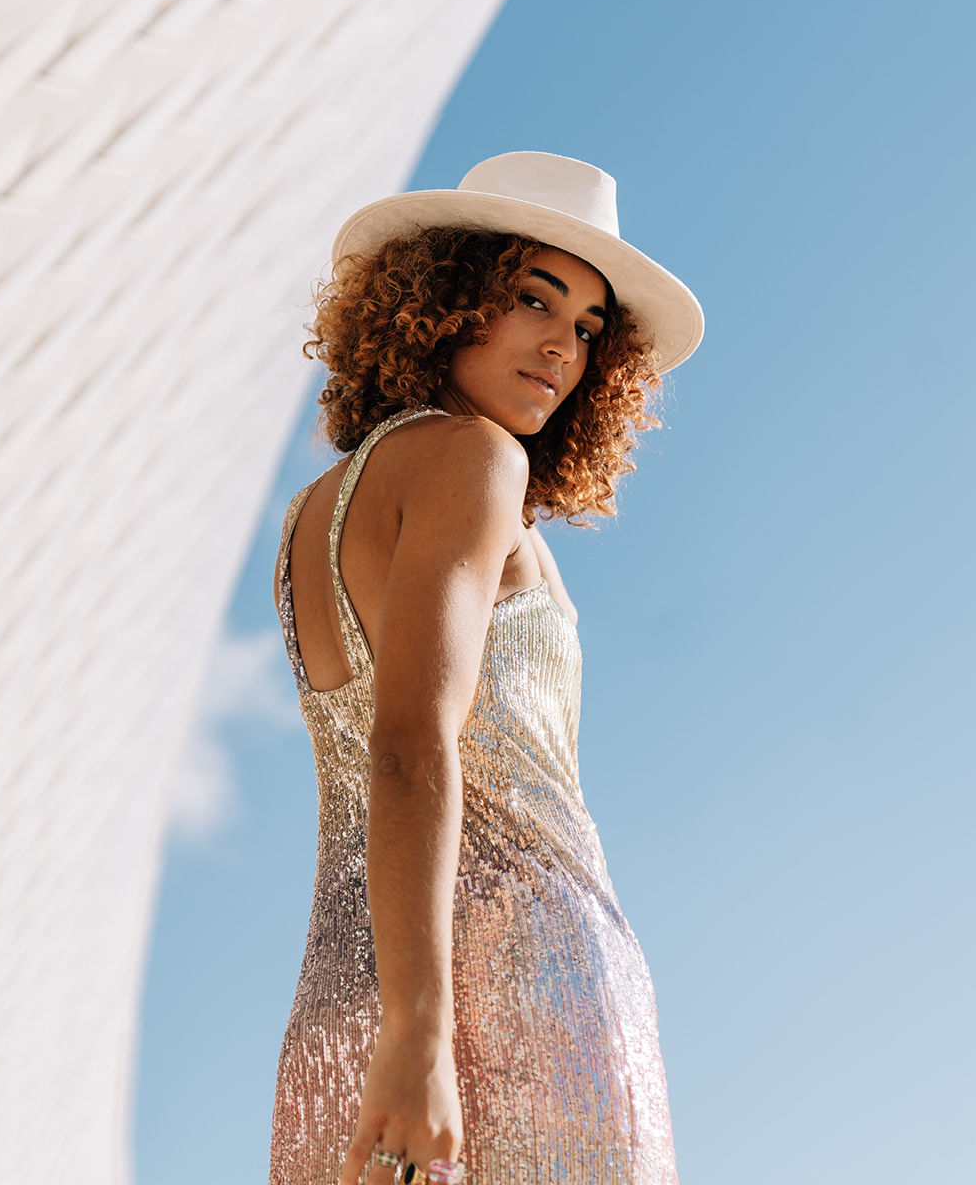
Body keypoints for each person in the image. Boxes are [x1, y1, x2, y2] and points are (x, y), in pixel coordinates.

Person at [267, 151, 704, 1185]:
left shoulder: (314, 513)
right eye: (531, 296)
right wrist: (421, 1028)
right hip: (518, 991)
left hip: (344, 994)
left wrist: (395, 1019)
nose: (562, 343)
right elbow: (408, 743)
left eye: (590, 329)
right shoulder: (475, 459)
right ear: (448, 299)